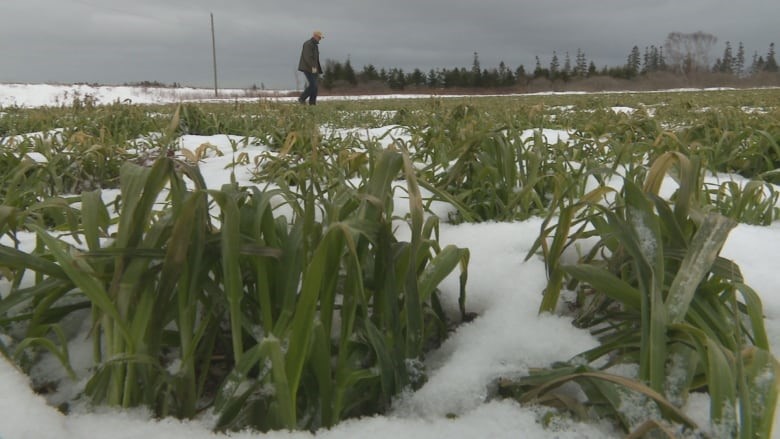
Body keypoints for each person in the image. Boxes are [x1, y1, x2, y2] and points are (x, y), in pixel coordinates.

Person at [298, 31, 324, 105]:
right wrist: (313, 67)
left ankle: (312, 103)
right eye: (319, 37)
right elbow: (308, 58)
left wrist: (317, 69)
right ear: (315, 36)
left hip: (313, 69)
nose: (320, 39)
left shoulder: (315, 45)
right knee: (313, 85)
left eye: (320, 38)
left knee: (315, 86)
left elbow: (315, 59)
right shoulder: (308, 44)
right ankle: (302, 98)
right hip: (308, 68)